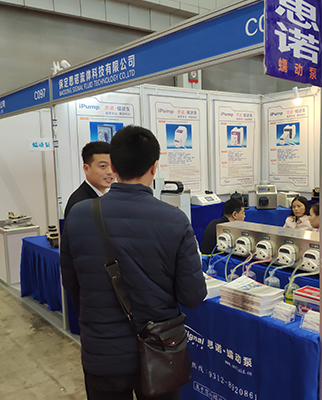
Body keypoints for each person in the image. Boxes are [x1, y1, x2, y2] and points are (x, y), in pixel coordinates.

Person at [60, 125, 207, 400]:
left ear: (114, 167)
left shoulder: (78, 215)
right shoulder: (175, 220)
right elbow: (193, 296)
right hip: (159, 350)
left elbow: (71, 285)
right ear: (154, 167)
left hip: (102, 351)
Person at [64, 141, 114, 219]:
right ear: (86, 169)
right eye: (103, 166)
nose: (110, 172)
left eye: (113, 165)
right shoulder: (81, 203)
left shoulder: (104, 197)